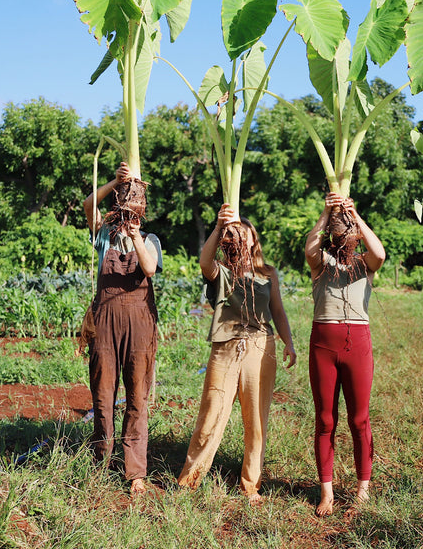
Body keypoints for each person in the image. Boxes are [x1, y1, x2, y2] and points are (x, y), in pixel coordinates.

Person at [178, 204, 296, 503]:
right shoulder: (221, 271)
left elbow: (278, 312)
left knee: (256, 419)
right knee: (211, 416)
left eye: (240, 234)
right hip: (226, 347)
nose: (235, 239)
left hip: (260, 346)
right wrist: (219, 228)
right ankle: (189, 480)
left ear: (253, 240)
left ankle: (250, 485)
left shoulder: (268, 273)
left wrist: (289, 343)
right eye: (230, 236)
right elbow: (204, 262)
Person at [83, 162, 162, 496]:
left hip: (140, 325)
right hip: (104, 322)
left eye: (132, 214)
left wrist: (135, 237)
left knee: (137, 398)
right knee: (102, 395)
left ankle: (135, 473)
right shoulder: (102, 234)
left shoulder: (150, 239)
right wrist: (115, 182)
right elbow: (89, 205)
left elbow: (148, 268)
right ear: (117, 209)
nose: (127, 218)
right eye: (122, 211)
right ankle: (101, 460)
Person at [305, 193, 385, 516]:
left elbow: (380, 252)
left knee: (359, 419)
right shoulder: (320, 262)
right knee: (325, 419)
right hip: (323, 345)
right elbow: (310, 246)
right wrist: (327, 213)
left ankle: (362, 489)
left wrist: (355, 217)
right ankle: (328, 492)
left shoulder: (365, 265)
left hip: (358, 345)